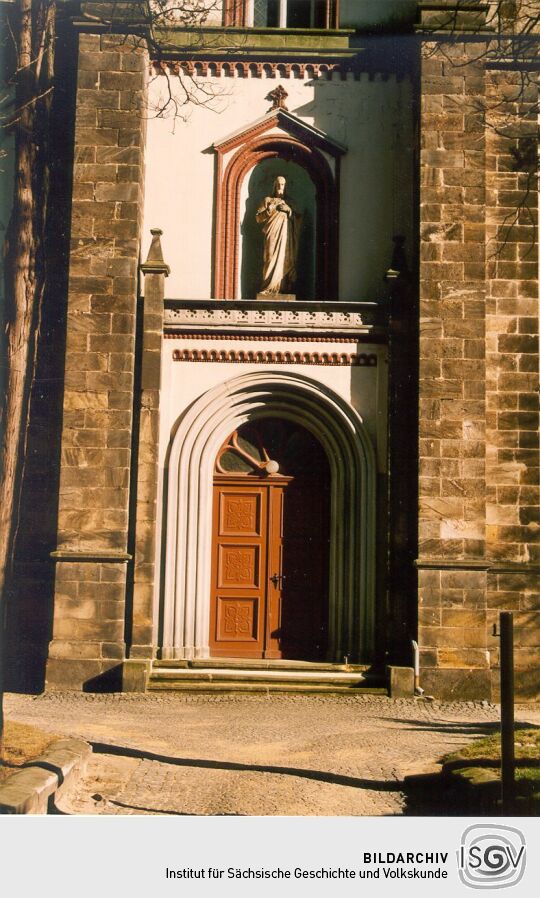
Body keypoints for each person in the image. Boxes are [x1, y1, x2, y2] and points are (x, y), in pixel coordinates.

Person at [255, 175, 300, 295]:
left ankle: (283, 288)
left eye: (283, 184)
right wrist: (268, 210)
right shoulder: (267, 200)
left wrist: (289, 211)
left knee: (285, 258)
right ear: (274, 185)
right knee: (270, 258)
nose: (280, 187)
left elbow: (299, 219)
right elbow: (258, 218)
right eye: (278, 184)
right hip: (271, 235)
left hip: (286, 236)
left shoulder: (290, 202)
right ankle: (268, 287)